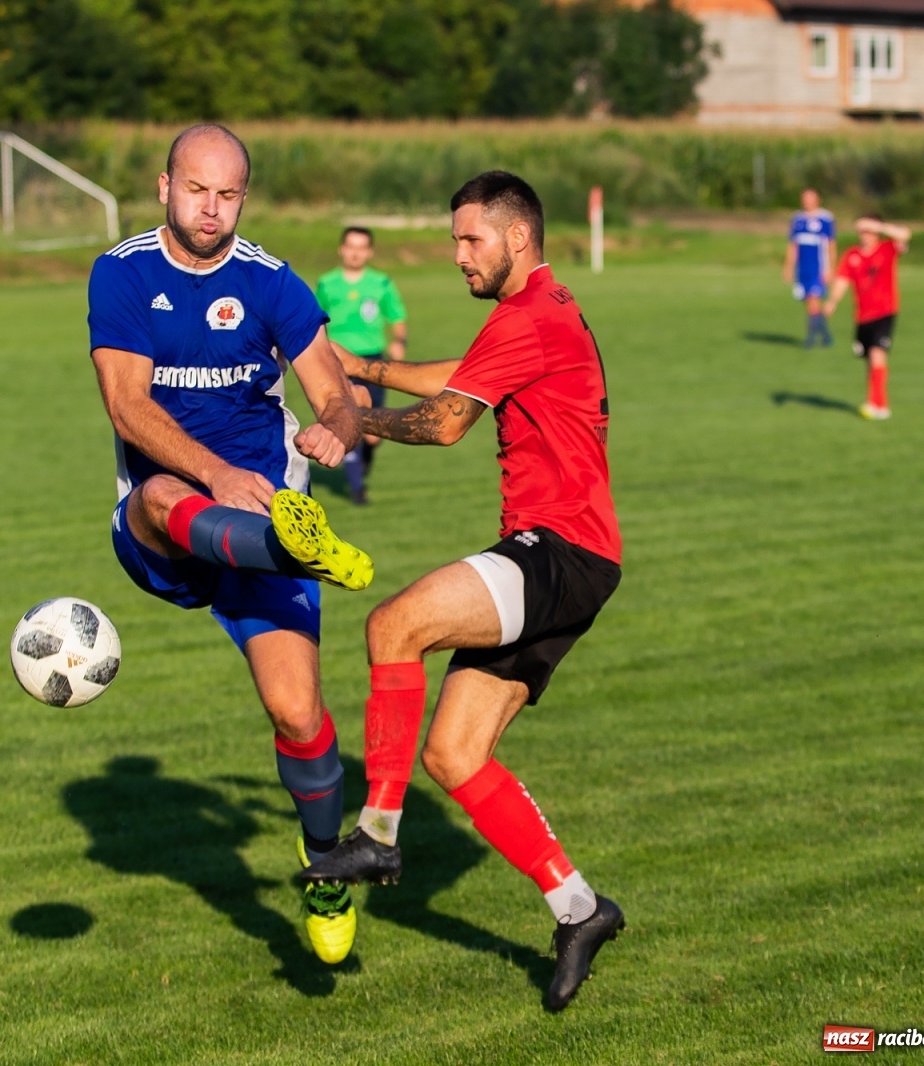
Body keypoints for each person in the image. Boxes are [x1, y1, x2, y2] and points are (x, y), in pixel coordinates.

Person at [302, 172, 624, 1011]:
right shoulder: (536, 313)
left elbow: (449, 421)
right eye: (455, 240)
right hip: (576, 558)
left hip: (559, 550)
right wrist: (363, 365)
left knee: (394, 625)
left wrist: (353, 419)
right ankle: (580, 909)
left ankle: (377, 833)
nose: (457, 255)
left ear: (517, 236)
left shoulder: (530, 315)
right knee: (453, 755)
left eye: (470, 239)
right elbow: (464, 374)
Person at [88, 124, 374, 966]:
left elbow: (336, 393)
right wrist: (216, 473)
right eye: (195, 190)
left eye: (227, 195)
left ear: (243, 198)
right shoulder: (123, 272)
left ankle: (324, 868)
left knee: (297, 712)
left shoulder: (272, 282)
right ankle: (290, 549)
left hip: (264, 510)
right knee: (158, 494)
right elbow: (127, 407)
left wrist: (337, 427)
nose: (210, 210)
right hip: (178, 525)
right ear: (164, 187)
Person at [314, 227, 407, 505]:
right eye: (350, 247)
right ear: (342, 249)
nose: (355, 253)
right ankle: (356, 488)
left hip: (372, 363)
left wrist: (399, 340)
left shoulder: (381, 283)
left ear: (369, 252)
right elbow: (314, 320)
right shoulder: (327, 283)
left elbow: (397, 316)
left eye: (361, 247)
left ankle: (361, 465)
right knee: (349, 420)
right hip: (339, 363)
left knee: (373, 434)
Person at [823, 215, 910, 421]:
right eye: (862, 231)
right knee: (869, 361)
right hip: (863, 316)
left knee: (877, 353)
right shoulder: (852, 254)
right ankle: (879, 404)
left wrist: (879, 225)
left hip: (885, 311)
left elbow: (905, 235)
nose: (865, 235)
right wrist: (832, 302)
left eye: (869, 230)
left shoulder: (887, 248)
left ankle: (875, 404)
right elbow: (842, 280)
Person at [783, 188, 836, 348]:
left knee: (814, 300)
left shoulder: (825, 218)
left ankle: (811, 337)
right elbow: (793, 245)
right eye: (804, 198)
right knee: (808, 302)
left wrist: (831, 267)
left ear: (818, 199)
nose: (807, 201)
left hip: (818, 267)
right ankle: (825, 334)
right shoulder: (797, 219)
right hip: (802, 268)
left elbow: (831, 245)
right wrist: (788, 267)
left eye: (810, 198)